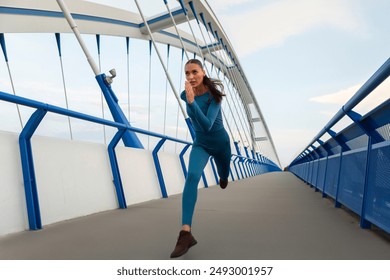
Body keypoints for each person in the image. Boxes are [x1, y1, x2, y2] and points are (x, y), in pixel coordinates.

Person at [170, 59, 232, 258]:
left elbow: (207, 124)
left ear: (203, 72)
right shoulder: (186, 94)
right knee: (192, 176)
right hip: (201, 145)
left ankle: (224, 177)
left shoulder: (214, 97)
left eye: (194, 72)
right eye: (186, 73)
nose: (190, 77)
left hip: (221, 144)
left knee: (223, 174)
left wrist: (190, 103)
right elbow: (201, 131)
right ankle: (185, 233)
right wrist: (189, 100)